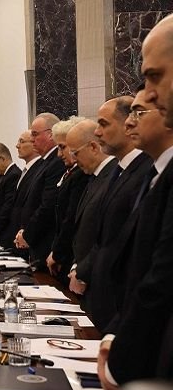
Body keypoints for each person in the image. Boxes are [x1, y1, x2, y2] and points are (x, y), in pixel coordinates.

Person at [98, 68, 173, 390]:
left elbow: (160, 276)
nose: (130, 122)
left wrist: (122, 358)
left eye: (139, 113)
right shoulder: (153, 174)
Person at [80, 95, 151, 332]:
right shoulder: (118, 170)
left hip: (120, 303)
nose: (97, 132)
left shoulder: (145, 170)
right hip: (103, 298)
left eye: (103, 124)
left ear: (128, 124)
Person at [66, 120, 116, 308]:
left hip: (102, 284)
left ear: (93, 147)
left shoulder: (112, 177)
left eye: (75, 153)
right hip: (86, 277)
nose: (73, 159)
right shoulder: (94, 178)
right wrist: (76, 266)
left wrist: (82, 271)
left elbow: (107, 235)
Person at [14, 113, 66, 267]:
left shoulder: (56, 162)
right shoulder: (45, 162)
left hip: (45, 241)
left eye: (35, 134)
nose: (32, 139)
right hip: (35, 241)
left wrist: (28, 234)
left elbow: (47, 205)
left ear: (50, 135)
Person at [47, 117, 89, 282]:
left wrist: (57, 253)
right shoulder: (71, 173)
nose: (59, 154)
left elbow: (70, 218)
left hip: (71, 256)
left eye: (62, 147)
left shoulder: (81, 175)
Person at [0, 142, 21, 248]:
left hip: (8, 232)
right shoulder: (5, 175)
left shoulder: (14, 175)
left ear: (2, 159)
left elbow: (8, 205)